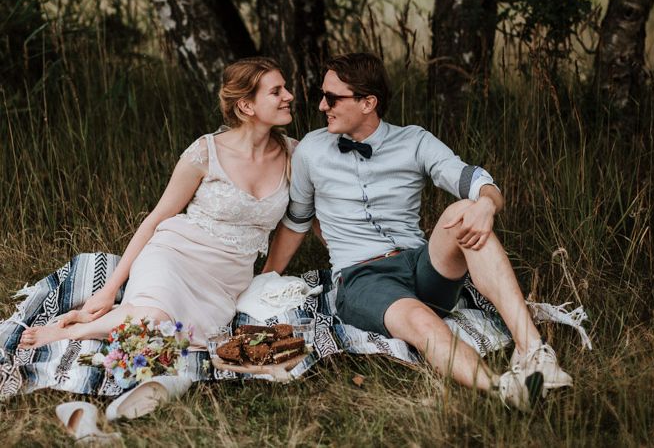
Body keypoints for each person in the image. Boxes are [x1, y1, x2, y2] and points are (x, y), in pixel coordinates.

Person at [263, 52, 572, 410]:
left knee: (466, 210)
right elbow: (297, 220)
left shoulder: (414, 141)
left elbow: (471, 179)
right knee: (419, 320)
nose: (321, 106)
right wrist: (267, 276)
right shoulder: (311, 151)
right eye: (323, 95)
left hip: (420, 263)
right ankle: (504, 389)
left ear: (368, 102)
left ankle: (534, 352)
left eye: (332, 98)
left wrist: (487, 204)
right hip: (363, 278)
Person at [20, 57, 295, 350]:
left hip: (225, 279)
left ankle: (105, 319)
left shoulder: (295, 156)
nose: (288, 96)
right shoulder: (205, 153)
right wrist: (108, 290)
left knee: (180, 334)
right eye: (276, 91)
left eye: (285, 89)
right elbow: (155, 218)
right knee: (155, 320)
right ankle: (71, 333)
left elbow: (303, 221)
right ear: (246, 106)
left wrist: (267, 276)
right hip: (174, 254)